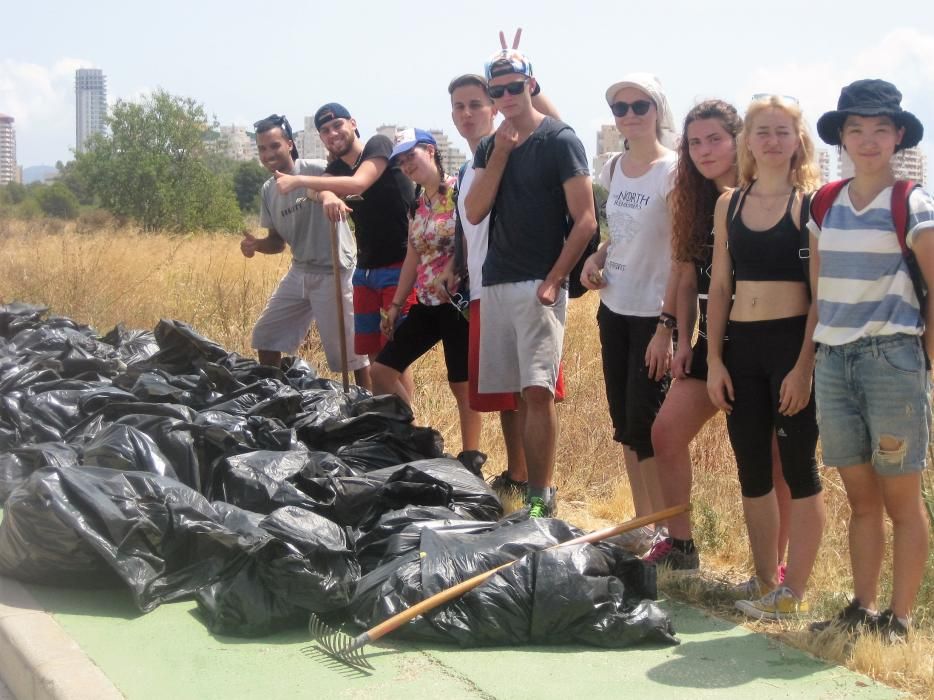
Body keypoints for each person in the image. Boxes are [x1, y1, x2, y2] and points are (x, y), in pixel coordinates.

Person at [808, 80, 933, 641]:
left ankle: (900, 620)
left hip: (891, 359)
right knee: (860, 498)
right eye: (855, 128)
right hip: (832, 361)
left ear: (898, 135)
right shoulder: (825, 202)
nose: (868, 139)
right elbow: (818, 294)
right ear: (842, 138)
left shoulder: (912, 201)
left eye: (880, 128)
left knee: (900, 497)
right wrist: (808, 358)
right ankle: (862, 609)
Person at [646, 100, 792, 575]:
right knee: (664, 433)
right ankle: (681, 546)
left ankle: (776, 569)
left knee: (773, 460)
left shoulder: (765, 194)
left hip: (766, 340)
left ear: (738, 140)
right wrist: (682, 339)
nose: (705, 150)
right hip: (712, 342)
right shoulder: (691, 199)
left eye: (715, 139)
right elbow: (687, 278)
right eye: (694, 142)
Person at [706, 95, 825, 620]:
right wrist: (713, 361)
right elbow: (719, 284)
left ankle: (794, 592)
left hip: (791, 345)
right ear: (747, 141)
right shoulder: (728, 203)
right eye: (762, 131)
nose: (772, 140)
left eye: (782, 131)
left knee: (800, 469)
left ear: (797, 141)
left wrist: (804, 366)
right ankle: (763, 581)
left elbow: (821, 296)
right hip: (740, 348)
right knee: (752, 468)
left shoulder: (811, 203)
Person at [464, 48, 596, 518]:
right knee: (514, 394)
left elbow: (584, 220)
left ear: (532, 85)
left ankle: (542, 499)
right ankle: (521, 488)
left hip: (539, 282)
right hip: (496, 279)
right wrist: (500, 150)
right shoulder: (488, 145)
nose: (506, 97)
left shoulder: (560, 139)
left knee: (538, 391)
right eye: (496, 91)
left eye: (514, 87)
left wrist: (555, 279)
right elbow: (475, 211)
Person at [441, 72, 563, 497]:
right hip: (483, 289)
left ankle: (538, 490)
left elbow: (557, 129)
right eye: (459, 106)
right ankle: (517, 474)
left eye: (477, 103)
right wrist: (457, 262)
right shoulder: (470, 166)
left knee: (532, 391)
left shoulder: (514, 147)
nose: (467, 113)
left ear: (495, 107)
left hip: (522, 283)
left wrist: (531, 81)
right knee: (504, 393)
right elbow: (468, 223)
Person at [579, 74, 677, 548]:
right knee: (624, 422)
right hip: (614, 305)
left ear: (657, 110)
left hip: (652, 314)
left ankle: (663, 528)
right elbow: (615, 235)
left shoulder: (674, 171)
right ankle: (642, 525)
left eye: (640, 105)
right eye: (620, 108)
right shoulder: (613, 168)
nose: (630, 115)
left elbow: (683, 256)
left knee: (648, 423)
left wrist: (668, 326)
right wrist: (594, 261)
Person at [274, 103, 416, 397]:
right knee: (373, 351)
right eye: (325, 130)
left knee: (395, 355)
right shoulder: (336, 167)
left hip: (400, 264)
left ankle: (409, 427)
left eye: (337, 125)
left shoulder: (378, 146)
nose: (332, 133)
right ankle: (388, 420)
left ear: (353, 123)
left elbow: (358, 183)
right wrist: (327, 195)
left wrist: (299, 180)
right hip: (364, 269)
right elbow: (320, 189)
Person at [369, 129, 481, 454]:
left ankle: (470, 456)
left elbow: (474, 239)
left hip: (458, 301)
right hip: (426, 302)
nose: (406, 165)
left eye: (410, 156)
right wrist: (395, 305)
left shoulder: (460, 190)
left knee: (461, 384)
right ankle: (416, 437)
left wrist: (455, 269)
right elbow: (412, 257)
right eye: (401, 161)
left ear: (430, 151)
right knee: (382, 370)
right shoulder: (418, 203)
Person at [241, 114, 369, 384]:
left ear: (289, 144)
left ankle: (369, 408)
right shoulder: (268, 190)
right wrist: (257, 245)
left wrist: (329, 197)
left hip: (335, 269)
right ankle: (272, 395)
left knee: (352, 356)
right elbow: (277, 242)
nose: (268, 154)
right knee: (267, 335)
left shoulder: (313, 168)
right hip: (300, 270)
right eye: (262, 148)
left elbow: (334, 189)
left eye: (274, 145)